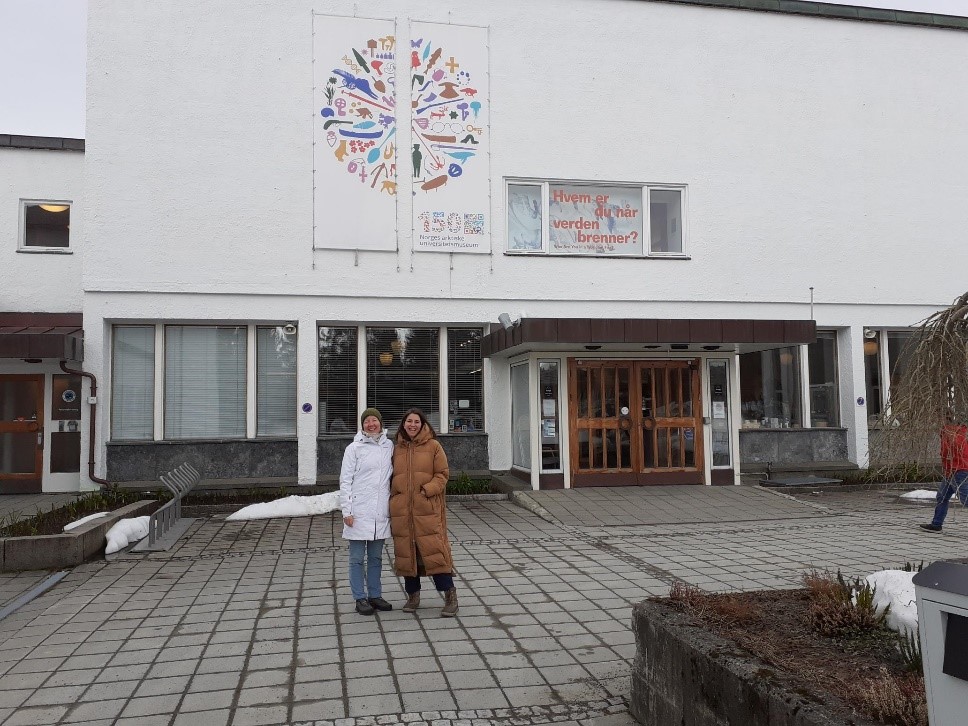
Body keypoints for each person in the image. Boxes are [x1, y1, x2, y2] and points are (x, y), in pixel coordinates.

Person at [389, 408, 459, 617]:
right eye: (408, 421)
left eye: (416, 422)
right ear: (403, 424)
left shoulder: (434, 446)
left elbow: (443, 474)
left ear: (423, 424)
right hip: (402, 511)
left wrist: (428, 490)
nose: (412, 425)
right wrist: (394, 498)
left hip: (426, 508)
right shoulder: (396, 449)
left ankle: (450, 595)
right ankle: (413, 596)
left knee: (434, 550)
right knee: (407, 553)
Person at [339, 407, 394, 615]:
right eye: (367, 421)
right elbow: (345, 481)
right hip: (358, 512)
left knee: (376, 558)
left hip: (380, 512)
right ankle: (359, 597)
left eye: (375, 420)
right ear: (362, 425)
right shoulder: (353, 449)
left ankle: (375, 595)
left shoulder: (389, 446)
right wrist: (347, 511)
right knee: (356, 558)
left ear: (380, 423)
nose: (371, 424)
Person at [920, 418, 968, 533]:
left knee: (966, 499)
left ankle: (936, 524)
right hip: (951, 471)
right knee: (942, 497)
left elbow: (949, 453)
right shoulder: (956, 432)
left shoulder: (952, 433)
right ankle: (936, 524)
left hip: (959, 470)